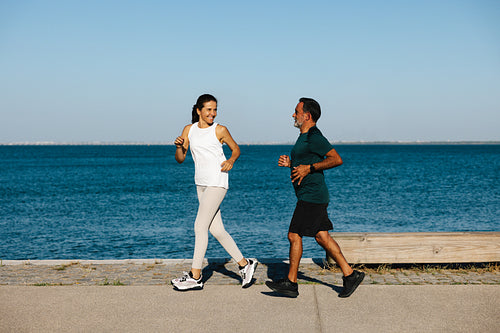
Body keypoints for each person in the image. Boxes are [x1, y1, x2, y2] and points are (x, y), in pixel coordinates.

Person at [265, 97, 364, 298]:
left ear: (307, 116)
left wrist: (309, 168)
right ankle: (350, 275)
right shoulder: (304, 137)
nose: (293, 115)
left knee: (294, 235)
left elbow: (336, 159)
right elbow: (304, 162)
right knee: (321, 236)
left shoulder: (314, 136)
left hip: (312, 196)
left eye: (296, 111)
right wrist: (291, 163)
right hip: (310, 195)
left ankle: (291, 283)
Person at [171, 94, 257, 291]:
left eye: (215, 109)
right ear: (199, 110)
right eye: (209, 109)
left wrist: (231, 161)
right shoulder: (189, 130)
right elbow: (180, 158)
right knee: (216, 230)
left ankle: (196, 276)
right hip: (200, 184)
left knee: (199, 226)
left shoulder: (220, 130)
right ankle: (245, 264)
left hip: (217, 182)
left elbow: (236, 149)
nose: (213, 113)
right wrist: (178, 147)